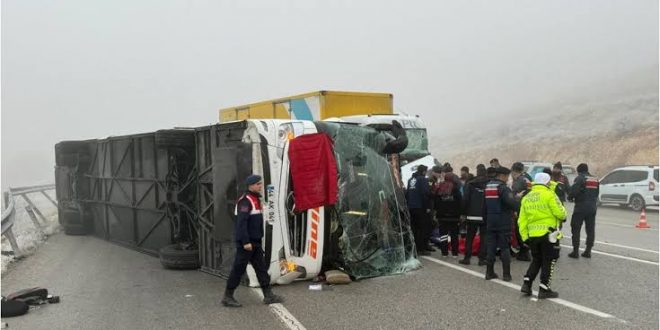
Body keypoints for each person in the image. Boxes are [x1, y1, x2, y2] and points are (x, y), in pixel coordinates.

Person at [222, 175, 284, 307]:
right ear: (251, 186)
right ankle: (227, 297)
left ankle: (268, 295)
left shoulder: (255, 199)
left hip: (254, 242)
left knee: (261, 269)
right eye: (258, 184)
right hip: (247, 243)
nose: (260, 186)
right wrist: (245, 242)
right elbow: (241, 224)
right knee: (238, 270)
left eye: (260, 184)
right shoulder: (245, 201)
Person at [518, 173, 566, 298]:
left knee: (536, 259)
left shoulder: (527, 197)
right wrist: (564, 216)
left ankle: (526, 284)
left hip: (533, 235)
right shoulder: (550, 194)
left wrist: (525, 237)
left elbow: (521, 220)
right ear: (547, 182)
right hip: (549, 234)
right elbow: (560, 213)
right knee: (548, 261)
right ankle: (544, 289)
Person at [484, 166, 518, 281]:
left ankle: (489, 272)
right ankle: (506, 275)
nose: (508, 178)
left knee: (491, 246)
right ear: (502, 176)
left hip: (490, 220)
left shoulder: (488, 186)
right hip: (503, 221)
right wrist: (517, 199)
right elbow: (512, 203)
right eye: (507, 176)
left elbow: (484, 205)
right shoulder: (503, 188)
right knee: (504, 247)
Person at [567, 163, 599, 259]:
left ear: (579, 171)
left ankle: (575, 251)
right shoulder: (595, 179)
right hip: (592, 207)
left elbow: (574, 191)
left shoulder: (580, 178)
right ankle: (588, 251)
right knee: (590, 229)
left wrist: (570, 197)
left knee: (576, 228)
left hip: (581, 207)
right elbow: (597, 193)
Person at [459, 166, 489, 265]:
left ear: (477, 172)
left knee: (470, 237)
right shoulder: (489, 184)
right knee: (484, 237)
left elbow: (465, 200)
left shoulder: (470, 184)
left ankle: (467, 258)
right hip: (485, 215)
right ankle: (482, 259)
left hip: (472, 215)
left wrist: (463, 213)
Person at [433, 165, 462, 257]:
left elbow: (436, 202)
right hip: (454, 216)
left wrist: (436, 212)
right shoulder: (456, 189)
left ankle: (444, 253)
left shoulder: (439, 188)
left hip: (442, 216)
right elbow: (460, 202)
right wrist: (460, 214)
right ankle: (455, 253)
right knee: (454, 235)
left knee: (443, 235)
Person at [406, 165, 432, 256]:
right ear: (424, 172)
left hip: (411, 207)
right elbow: (425, 194)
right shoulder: (423, 179)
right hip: (420, 207)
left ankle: (414, 247)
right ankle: (421, 249)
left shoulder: (410, 180)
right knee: (422, 229)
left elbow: (408, 193)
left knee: (414, 229)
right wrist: (428, 207)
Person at [510, 162, 532, 261]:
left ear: (513, 171)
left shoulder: (518, 181)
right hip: (528, 208)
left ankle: (524, 252)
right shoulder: (527, 178)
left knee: (519, 230)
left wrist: (514, 208)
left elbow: (516, 196)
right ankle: (525, 250)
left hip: (520, 208)